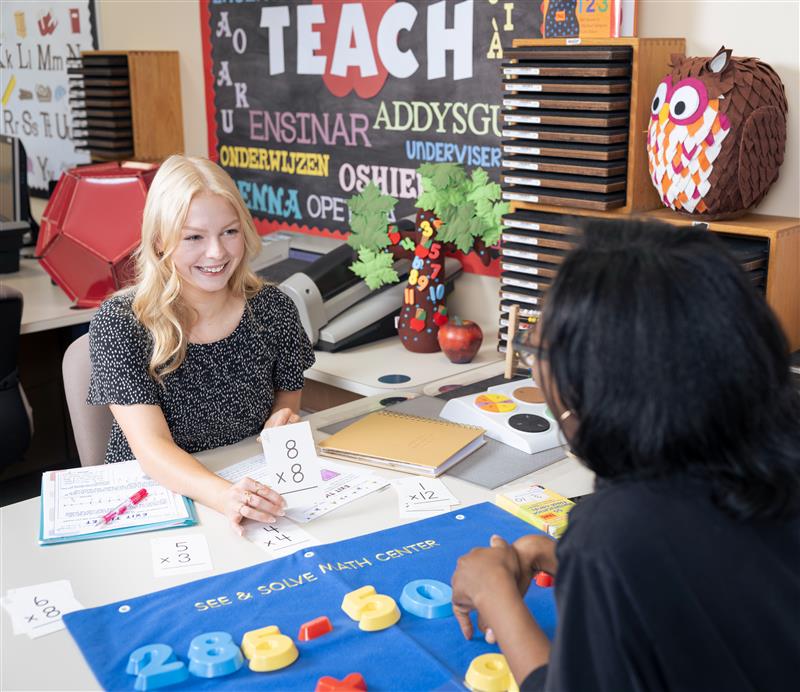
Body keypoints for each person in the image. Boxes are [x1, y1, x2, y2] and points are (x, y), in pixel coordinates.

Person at [451, 219, 800, 691]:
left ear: (606, 384)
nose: (537, 375)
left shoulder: (618, 531)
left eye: (539, 353)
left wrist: (498, 601)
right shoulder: (767, 454)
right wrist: (570, 558)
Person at [88, 155, 315, 535]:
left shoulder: (274, 308)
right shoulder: (122, 322)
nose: (217, 252)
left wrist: (283, 418)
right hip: (157, 499)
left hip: (246, 484)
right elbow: (152, 449)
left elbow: (287, 396)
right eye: (194, 237)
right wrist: (226, 496)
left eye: (229, 232)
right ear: (161, 241)